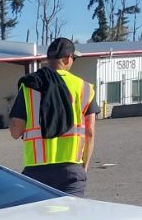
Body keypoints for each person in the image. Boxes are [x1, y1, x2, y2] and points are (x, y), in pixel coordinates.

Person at [9, 37, 99, 197]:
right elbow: (90, 132)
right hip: (71, 170)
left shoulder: (29, 86)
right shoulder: (85, 88)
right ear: (66, 59)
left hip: (35, 171)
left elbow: (16, 132)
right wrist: (83, 167)